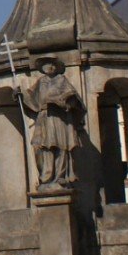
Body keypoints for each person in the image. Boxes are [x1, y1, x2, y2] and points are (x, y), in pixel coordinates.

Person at [27, 59, 81, 192]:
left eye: (52, 64)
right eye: (46, 64)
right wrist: (18, 95)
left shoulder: (61, 80)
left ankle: (59, 177)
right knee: (39, 147)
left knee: (61, 146)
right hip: (44, 117)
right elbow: (30, 98)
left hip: (59, 117)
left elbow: (73, 100)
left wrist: (63, 103)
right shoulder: (40, 82)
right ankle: (45, 177)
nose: (49, 66)